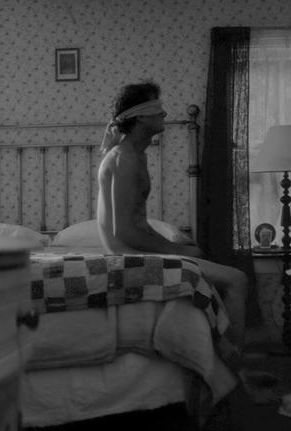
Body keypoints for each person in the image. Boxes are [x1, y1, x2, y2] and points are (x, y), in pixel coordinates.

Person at [96, 81, 250, 349]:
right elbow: (125, 231)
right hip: (127, 258)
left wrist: (174, 245)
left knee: (201, 259)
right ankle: (233, 363)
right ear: (140, 116)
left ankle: (214, 350)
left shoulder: (136, 155)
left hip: (136, 252)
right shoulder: (124, 159)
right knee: (237, 280)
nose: (164, 114)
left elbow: (138, 224)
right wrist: (175, 251)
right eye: (157, 109)